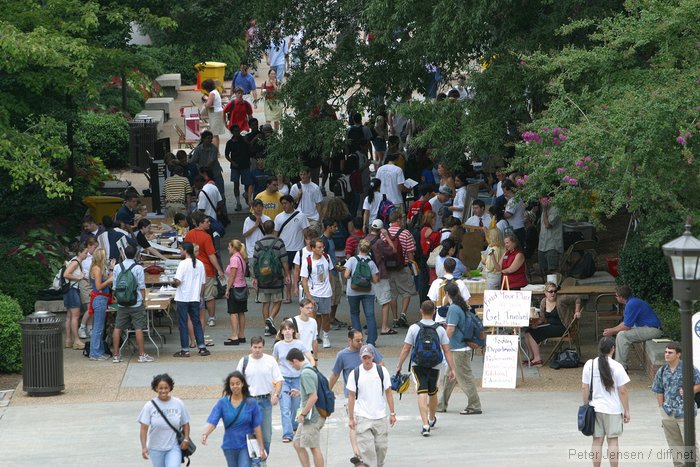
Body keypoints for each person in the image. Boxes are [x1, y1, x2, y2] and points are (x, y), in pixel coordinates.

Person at [396, 300, 455, 437]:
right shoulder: (440, 329)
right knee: (432, 391)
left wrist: (399, 365)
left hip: (418, 364)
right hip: (435, 364)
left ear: (421, 311)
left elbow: (406, 349)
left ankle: (425, 425)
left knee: (421, 391)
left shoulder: (414, 328)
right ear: (434, 311)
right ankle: (432, 417)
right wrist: (452, 368)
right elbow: (447, 350)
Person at [581, 337, 630, 467]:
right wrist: (627, 410)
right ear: (613, 349)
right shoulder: (617, 366)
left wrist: (586, 404)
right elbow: (623, 390)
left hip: (595, 408)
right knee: (613, 442)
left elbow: (584, 387)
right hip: (613, 409)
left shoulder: (589, 364)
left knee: (597, 441)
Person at [435, 283, 482, 415]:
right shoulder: (462, 306)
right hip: (461, 347)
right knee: (449, 377)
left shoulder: (453, 308)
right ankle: (441, 404)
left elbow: (450, 329)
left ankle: (474, 405)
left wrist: (442, 344)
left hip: (458, 348)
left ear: (447, 294)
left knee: (464, 378)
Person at [651, 341, 700, 467]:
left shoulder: (688, 368)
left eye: (670, 352)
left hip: (685, 412)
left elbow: (699, 383)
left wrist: (690, 390)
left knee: (690, 443)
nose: (667, 354)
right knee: (674, 444)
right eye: (666, 352)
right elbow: (658, 390)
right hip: (668, 413)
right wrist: (662, 408)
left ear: (678, 354)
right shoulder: (662, 371)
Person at [202, 371, 267, 467]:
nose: (235, 386)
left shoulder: (251, 403)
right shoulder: (222, 403)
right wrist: (205, 434)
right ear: (229, 386)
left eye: (237, 383)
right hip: (229, 445)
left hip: (246, 445)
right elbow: (213, 421)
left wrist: (261, 448)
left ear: (242, 384)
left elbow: (257, 426)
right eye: (232, 384)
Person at [236, 337, 283, 466]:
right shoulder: (244, 361)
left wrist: (276, 394)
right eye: (255, 347)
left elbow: (279, 380)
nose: (257, 350)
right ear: (251, 347)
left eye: (260, 347)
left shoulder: (270, 360)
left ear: (263, 347)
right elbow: (236, 382)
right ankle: (255, 462)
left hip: (265, 401)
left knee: (266, 435)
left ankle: (262, 458)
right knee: (251, 435)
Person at [347, 345, 396, 467]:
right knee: (367, 450)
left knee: (381, 447)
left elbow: (388, 392)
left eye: (369, 357)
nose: (367, 360)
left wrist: (392, 413)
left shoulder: (381, 371)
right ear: (360, 358)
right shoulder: (355, 373)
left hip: (380, 415)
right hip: (362, 416)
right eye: (364, 358)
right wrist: (351, 418)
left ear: (373, 356)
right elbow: (351, 396)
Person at [272, 321, 315, 443]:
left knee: (296, 405)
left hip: (297, 378)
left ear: (293, 331)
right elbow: (273, 362)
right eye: (284, 329)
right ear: (281, 332)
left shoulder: (299, 344)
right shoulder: (278, 346)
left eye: (289, 329)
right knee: (285, 407)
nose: (287, 331)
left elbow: (310, 357)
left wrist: (310, 370)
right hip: (283, 379)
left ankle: (294, 425)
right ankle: (287, 433)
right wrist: (273, 378)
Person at [111, 245, 153, 363]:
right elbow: (141, 286)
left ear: (124, 253)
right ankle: (141, 354)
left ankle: (116, 355)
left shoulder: (117, 267)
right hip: (136, 302)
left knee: (118, 327)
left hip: (122, 303)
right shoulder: (138, 268)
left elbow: (114, 285)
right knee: (138, 328)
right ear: (135, 254)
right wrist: (143, 300)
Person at [603, 285, 662, 369]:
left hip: (653, 330)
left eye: (616, 296)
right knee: (621, 333)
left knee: (622, 335)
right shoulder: (631, 302)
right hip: (648, 328)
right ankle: (620, 364)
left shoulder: (631, 304)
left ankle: (620, 367)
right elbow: (625, 323)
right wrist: (612, 329)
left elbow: (626, 327)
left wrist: (612, 331)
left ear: (621, 297)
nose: (615, 297)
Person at [138, 374, 191, 467]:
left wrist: (186, 438)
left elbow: (185, 423)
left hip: (173, 447)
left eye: (166, 388)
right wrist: (144, 447)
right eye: (160, 388)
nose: (163, 391)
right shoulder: (149, 406)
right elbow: (143, 429)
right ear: (156, 388)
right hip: (155, 448)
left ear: (170, 388)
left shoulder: (178, 403)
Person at [184, 211, 226, 329]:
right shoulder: (207, 237)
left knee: (195, 294)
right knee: (209, 295)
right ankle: (211, 318)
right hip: (207, 270)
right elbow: (211, 255)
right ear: (200, 223)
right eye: (207, 222)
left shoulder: (188, 235)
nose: (209, 224)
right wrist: (219, 270)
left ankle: (195, 316)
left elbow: (184, 251)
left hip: (192, 269)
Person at [523, 282, 581, 366]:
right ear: (545, 292)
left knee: (533, 333)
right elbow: (542, 318)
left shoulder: (561, 299)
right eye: (550, 291)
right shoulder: (543, 301)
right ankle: (532, 356)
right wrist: (536, 323)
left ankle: (537, 358)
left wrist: (577, 311)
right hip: (550, 325)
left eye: (555, 291)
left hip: (563, 326)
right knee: (528, 332)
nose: (553, 293)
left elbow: (577, 298)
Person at [286, 348, 326, 467]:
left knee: (313, 447)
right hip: (310, 414)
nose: (292, 367)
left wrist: (302, 414)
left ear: (295, 360)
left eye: (291, 364)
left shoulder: (306, 373)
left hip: (312, 416)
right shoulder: (309, 368)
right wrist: (300, 392)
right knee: (297, 443)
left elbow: (313, 397)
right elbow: (311, 391)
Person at [251, 220, 290, 337]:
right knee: (277, 300)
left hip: (263, 277)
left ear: (263, 228)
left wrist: (254, 277)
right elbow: (284, 260)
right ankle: (271, 318)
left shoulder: (258, 244)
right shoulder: (279, 242)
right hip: (276, 277)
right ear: (274, 229)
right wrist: (287, 274)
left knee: (265, 302)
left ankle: (267, 327)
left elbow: (254, 261)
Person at [172, 242, 210, 357]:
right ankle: (202, 347)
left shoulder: (182, 264)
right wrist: (201, 296)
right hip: (195, 297)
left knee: (183, 323)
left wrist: (172, 283)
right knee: (196, 322)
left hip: (183, 298)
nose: (180, 252)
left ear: (185, 250)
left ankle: (185, 349)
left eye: (180, 249)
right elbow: (203, 283)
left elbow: (178, 281)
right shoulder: (200, 264)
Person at [344, 241, 380, 345]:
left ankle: (357, 340)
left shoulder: (352, 260)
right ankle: (371, 341)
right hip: (368, 292)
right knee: (370, 316)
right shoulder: (371, 262)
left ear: (358, 248)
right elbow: (375, 280)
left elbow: (346, 275)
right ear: (369, 250)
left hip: (353, 291)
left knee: (355, 314)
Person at [364, 219, 397, 336]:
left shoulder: (364, 240)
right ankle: (384, 327)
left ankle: (370, 326)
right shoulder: (379, 242)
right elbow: (393, 250)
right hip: (380, 273)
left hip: (367, 275)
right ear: (380, 229)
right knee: (385, 301)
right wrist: (386, 236)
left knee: (369, 301)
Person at [275, 194, 311, 301]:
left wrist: (308, 248)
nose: (284, 206)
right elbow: (275, 234)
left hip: (298, 250)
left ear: (292, 203)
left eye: (286, 203)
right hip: (284, 250)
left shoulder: (301, 216)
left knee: (301, 274)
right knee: (286, 274)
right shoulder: (278, 217)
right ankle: (288, 296)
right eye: (282, 204)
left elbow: (306, 233)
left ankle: (302, 294)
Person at [300, 239, 335, 348]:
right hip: (313, 292)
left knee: (326, 316)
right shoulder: (307, 261)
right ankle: (313, 337)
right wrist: (309, 296)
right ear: (313, 248)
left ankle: (325, 336)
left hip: (326, 292)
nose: (322, 249)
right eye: (319, 247)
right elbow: (304, 280)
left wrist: (332, 289)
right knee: (312, 317)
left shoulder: (327, 258)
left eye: (322, 247)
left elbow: (330, 274)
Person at [387, 210, 417, 329]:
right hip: (402, 267)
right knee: (406, 291)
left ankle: (394, 318)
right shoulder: (406, 233)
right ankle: (403, 314)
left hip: (388, 268)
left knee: (392, 294)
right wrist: (413, 265)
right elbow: (410, 253)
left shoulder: (385, 233)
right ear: (399, 219)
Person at [88, 247, 114, 360]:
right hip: (99, 299)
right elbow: (99, 286)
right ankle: (94, 353)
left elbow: (106, 280)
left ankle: (98, 351)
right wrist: (109, 280)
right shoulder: (97, 269)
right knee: (98, 328)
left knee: (100, 327)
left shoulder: (98, 268)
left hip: (101, 299)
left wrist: (111, 269)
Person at [427, 258, 471, 326]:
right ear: (455, 268)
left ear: (444, 267)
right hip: (456, 319)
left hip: (440, 319)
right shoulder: (460, 283)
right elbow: (466, 301)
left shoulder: (436, 282)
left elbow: (432, 301)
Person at [63, 242, 89, 350]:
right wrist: (79, 277)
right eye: (85, 253)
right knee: (75, 316)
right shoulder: (76, 262)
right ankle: (77, 341)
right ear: (79, 252)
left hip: (69, 291)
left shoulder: (75, 260)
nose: (87, 255)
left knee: (69, 316)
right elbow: (66, 274)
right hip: (72, 290)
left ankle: (69, 340)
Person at [225, 240, 249, 346]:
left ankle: (234, 335)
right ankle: (241, 334)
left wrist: (227, 289)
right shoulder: (242, 257)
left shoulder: (234, 258)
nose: (228, 249)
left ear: (234, 247)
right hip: (243, 287)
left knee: (233, 312)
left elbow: (232, 275)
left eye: (229, 247)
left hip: (235, 288)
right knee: (241, 312)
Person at [225, 124, 252, 211]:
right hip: (235, 167)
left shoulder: (244, 140)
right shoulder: (229, 142)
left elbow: (250, 147)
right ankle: (238, 203)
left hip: (245, 165)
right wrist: (232, 162)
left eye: (238, 130)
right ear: (232, 132)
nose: (237, 132)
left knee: (247, 184)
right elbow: (226, 155)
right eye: (235, 131)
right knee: (235, 184)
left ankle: (246, 196)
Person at [538, 196, 564, 274]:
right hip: (542, 245)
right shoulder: (544, 209)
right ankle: (548, 285)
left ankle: (556, 285)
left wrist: (545, 210)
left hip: (552, 245)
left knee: (553, 270)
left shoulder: (556, 209)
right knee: (544, 270)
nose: (540, 201)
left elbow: (547, 225)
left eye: (541, 198)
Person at [201, 79, 225, 149]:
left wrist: (205, 102)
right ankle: (217, 151)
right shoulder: (216, 91)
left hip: (216, 115)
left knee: (214, 134)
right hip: (217, 113)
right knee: (215, 134)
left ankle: (215, 151)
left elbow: (208, 105)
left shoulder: (212, 93)